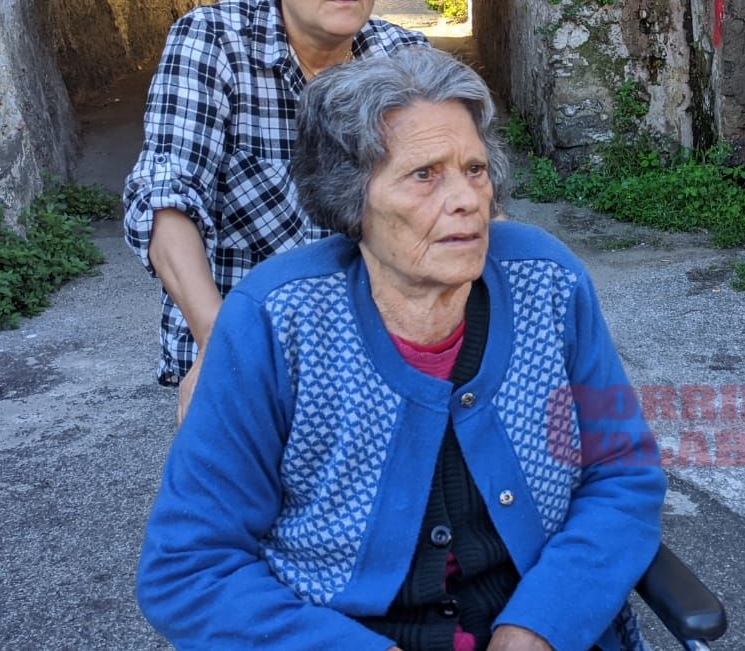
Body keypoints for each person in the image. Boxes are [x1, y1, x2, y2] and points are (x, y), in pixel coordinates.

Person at [136, 49, 665, 651]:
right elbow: (190, 567)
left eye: (475, 169)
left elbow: (622, 473)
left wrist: (539, 625)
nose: (467, 199)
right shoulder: (275, 321)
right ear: (351, 197)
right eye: (425, 175)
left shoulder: (548, 281)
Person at [123, 0, 428, 418]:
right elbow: (167, 197)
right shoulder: (210, 41)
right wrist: (220, 342)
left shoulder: (405, 59)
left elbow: (448, 198)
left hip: (376, 350)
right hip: (246, 340)